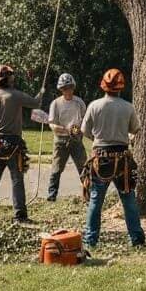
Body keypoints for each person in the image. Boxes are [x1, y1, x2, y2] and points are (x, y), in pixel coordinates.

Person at [80, 68, 145, 252]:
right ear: (120, 88)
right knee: (128, 199)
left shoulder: (94, 106)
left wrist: (98, 140)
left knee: (95, 200)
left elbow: (85, 131)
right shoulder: (128, 107)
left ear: (103, 86)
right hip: (122, 159)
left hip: (100, 159)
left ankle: (91, 240)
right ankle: (136, 238)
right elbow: (135, 130)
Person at [0, 63, 42, 222]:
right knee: (17, 179)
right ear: (8, 79)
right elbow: (35, 103)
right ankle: (20, 215)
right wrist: (41, 92)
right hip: (14, 143)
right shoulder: (15, 95)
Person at [46, 72, 87, 202]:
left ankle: (89, 194)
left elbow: (85, 120)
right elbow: (52, 124)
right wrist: (65, 129)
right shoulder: (56, 104)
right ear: (61, 89)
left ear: (73, 87)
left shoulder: (79, 102)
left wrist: (78, 130)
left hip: (76, 139)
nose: (67, 90)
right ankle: (51, 196)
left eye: (69, 87)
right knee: (56, 169)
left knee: (84, 168)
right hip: (61, 140)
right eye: (64, 88)